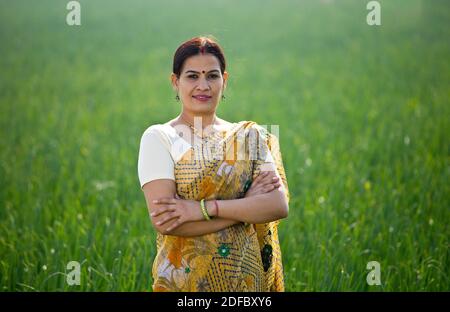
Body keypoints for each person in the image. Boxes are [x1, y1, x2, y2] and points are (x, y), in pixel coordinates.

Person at [137, 36, 290, 291]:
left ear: (224, 80)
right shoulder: (160, 138)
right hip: (183, 284)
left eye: (212, 75)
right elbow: (166, 221)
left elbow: (277, 204)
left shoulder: (248, 136)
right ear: (175, 82)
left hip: (246, 282)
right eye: (192, 76)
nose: (203, 85)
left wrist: (204, 209)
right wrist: (245, 209)